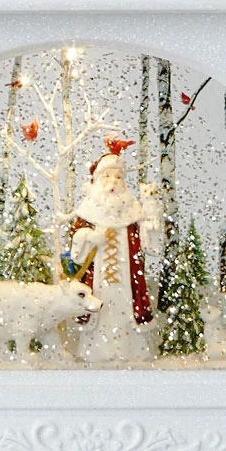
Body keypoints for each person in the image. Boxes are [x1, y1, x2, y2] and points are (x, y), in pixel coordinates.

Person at [70, 149, 161, 365]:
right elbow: (75, 248)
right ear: (97, 180)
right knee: (100, 311)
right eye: (107, 176)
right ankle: (96, 351)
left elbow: (149, 246)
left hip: (126, 280)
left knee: (125, 310)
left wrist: (151, 228)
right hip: (98, 280)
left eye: (118, 177)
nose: (113, 181)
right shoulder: (88, 211)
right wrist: (89, 237)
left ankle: (130, 350)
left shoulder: (132, 211)